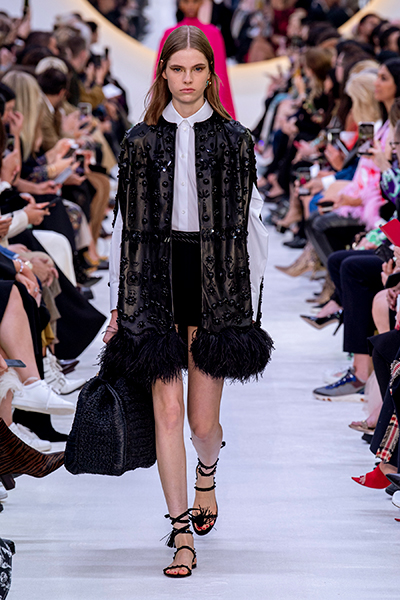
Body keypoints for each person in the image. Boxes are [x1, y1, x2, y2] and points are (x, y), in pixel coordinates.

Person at [103, 25, 272, 578]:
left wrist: (251, 305)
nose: (187, 80)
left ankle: (207, 473)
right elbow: (122, 227)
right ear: (163, 73)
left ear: (210, 75)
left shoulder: (234, 140)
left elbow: (253, 226)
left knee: (201, 424)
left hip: (216, 280)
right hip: (153, 279)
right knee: (168, 412)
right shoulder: (139, 141)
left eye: (197, 69)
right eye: (177, 69)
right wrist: (116, 304)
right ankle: (180, 531)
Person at [156, 0, 236, 118]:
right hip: (174, 106)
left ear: (201, 3)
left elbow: (220, 75)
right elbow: (159, 74)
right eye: (186, 1)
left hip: (207, 106)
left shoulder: (214, 34)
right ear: (180, 4)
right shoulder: (169, 34)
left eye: (195, 1)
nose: (190, 6)